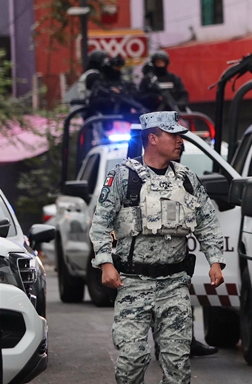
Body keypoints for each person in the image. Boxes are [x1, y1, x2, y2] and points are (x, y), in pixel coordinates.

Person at [89, 111, 226, 384]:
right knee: (132, 360)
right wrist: (105, 263)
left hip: (174, 284)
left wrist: (215, 260)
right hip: (133, 284)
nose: (180, 141)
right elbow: (101, 223)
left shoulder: (187, 179)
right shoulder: (123, 176)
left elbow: (207, 221)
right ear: (152, 138)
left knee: (177, 364)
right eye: (173, 135)